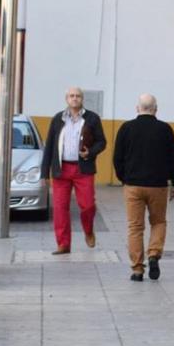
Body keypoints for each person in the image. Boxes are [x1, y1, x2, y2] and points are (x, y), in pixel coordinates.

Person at [113, 93, 174, 282]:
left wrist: (124, 179)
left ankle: (137, 270)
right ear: (156, 109)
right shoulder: (165, 129)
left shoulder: (126, 128)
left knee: (135, 227)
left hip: (133, 185)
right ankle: (153, 254)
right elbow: (173, 159)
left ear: (138, 108)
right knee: (158, 222)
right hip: (158, 186)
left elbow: (117, 158)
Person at [40, 86, 107, 255]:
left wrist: (90, 153)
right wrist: (44, 172)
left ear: (82, 99)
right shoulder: (58, 119)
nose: (75, 98)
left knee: (87, 206)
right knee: (60, 208)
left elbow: (102, 142)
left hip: (83, 169)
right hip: (61, 170)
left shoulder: (92, 118)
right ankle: (63, 244)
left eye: (78, 96)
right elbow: (49, 147)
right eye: (72, 96)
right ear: (67, 99)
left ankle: (88, 230)